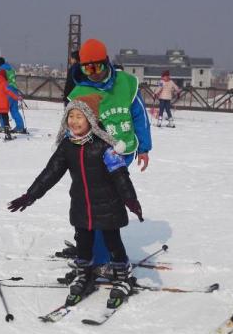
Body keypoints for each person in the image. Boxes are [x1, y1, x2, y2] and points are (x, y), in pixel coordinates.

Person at [8, 94, 144, 307]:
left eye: (79, 116)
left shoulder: (105, 146)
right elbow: (50, 172)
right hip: (82, 206)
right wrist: (31, 195)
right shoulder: (67, 146)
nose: (74, 121)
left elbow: (120, 176)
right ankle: (85, 273)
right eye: (70, 116)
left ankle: (122, 275)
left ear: (90, 119)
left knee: (113, 242)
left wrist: (131, 200)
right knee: (83, 242)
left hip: (108, 205)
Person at [67, 38, 153, 268]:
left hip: (123, 151)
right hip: (93, 155)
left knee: (108, 202)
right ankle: (91, 250)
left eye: (97, 66)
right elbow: (73, 126)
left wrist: (144, 148)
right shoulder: (81, 91)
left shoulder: (126, 83)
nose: (93, 73)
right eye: (87, 68)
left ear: (107, 62)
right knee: (93, 200)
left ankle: (103, 253)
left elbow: (140, 117)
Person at [0, 56, 27, 133]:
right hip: (15, 91)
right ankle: (20, 126)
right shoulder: (11, 69)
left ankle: (4, 126)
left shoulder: (1, 70)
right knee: (15, 110)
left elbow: (0, 81)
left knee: (2, 109)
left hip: (7, 91)